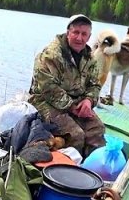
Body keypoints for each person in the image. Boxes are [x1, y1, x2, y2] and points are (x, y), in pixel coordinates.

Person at [28, 14, 106, 156]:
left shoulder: (90, 58)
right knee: (76, 135)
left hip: (75, 103)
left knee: (97, 129)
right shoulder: (50, 55)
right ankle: (64, 172)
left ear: (89, 37)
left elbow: (94, 85)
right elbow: (48, 88)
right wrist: (71, 106)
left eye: (84, 34)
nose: (79, 38)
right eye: (76, 32)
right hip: (44, 102)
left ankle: (90, 167)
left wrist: (88, 101)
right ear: (68, 32)